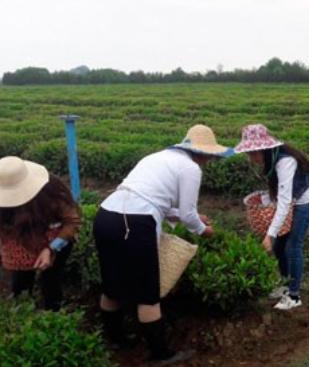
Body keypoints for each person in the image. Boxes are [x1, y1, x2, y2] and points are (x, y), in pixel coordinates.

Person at [94, 125, 230, 365]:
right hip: (135, 224)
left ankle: (113, 339)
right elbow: (189, 213)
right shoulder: (191, 168)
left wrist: (187, 217)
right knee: (148, 293)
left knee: (111, 284)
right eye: (210, 156)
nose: (210, 161)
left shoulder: (157, 157)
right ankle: (160, 354)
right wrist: (202, 229)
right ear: (204, 153)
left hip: (106, 216)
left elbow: (155, 200)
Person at [235, 124, 309, 311]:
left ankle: (294, 295)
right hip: (292, 203)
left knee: (293, 246)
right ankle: (285, 285)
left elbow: (284, 201)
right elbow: (280, 192)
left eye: (252, 152)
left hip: (305, 203)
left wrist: (269, 235)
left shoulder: (285, 161)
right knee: (280, 246)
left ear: (263, 148)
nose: (250, 157)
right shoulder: (272, 159)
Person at [0, 157, 79, 312]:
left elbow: (72, 222)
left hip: (55, 237)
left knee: (50, 280)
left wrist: (51, 248)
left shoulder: (51, 193)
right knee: (20, 284)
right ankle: (23, 313)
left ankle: (53, 314)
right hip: (20, 239)